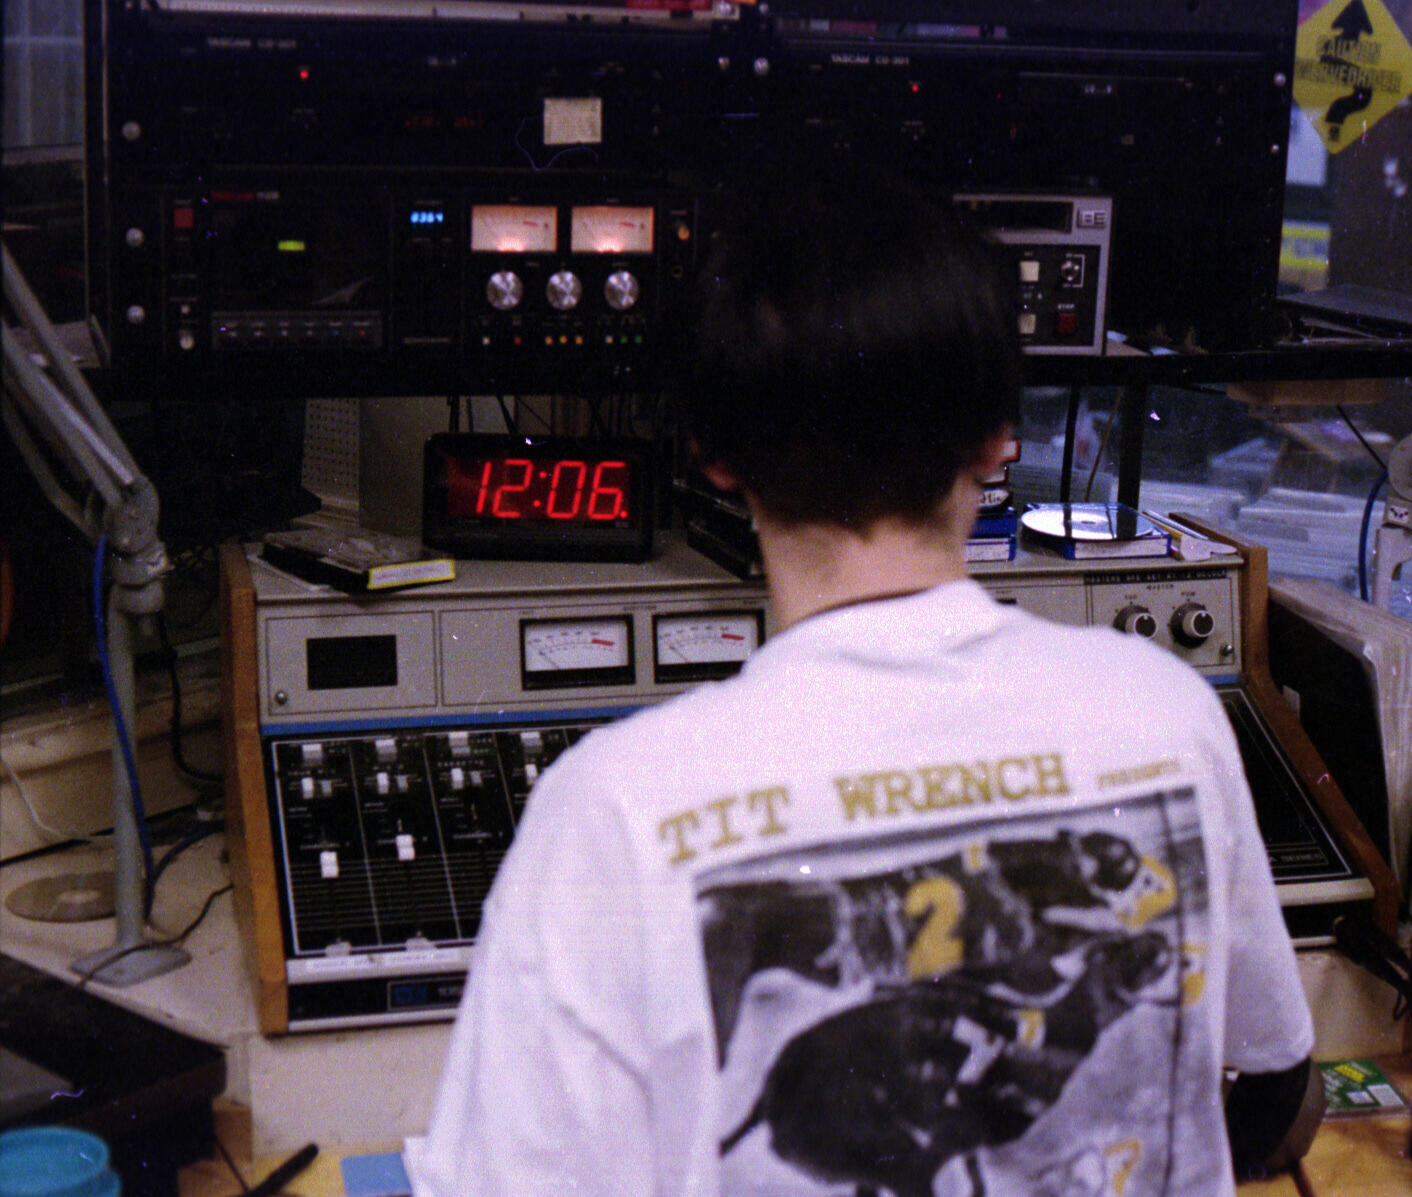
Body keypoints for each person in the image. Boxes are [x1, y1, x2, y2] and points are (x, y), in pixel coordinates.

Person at [405, 164, 1321, 1197]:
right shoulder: (1166, 713)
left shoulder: (611, 809)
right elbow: (1282, 1096)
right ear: (995, 442)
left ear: (710, 454)